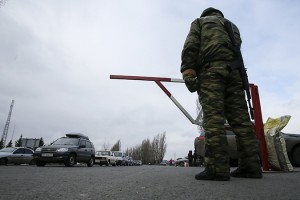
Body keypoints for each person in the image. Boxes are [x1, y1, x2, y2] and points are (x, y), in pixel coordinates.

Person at [180, 7, 262, 181]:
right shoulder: (232, 26)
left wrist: (188, 74)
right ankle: (251, 167)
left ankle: (217, 168)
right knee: (242, 121)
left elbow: (191, 46)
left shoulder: (199, 22)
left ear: (206, 15)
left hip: (211, 72)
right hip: (235, 74)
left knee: (213, 119)